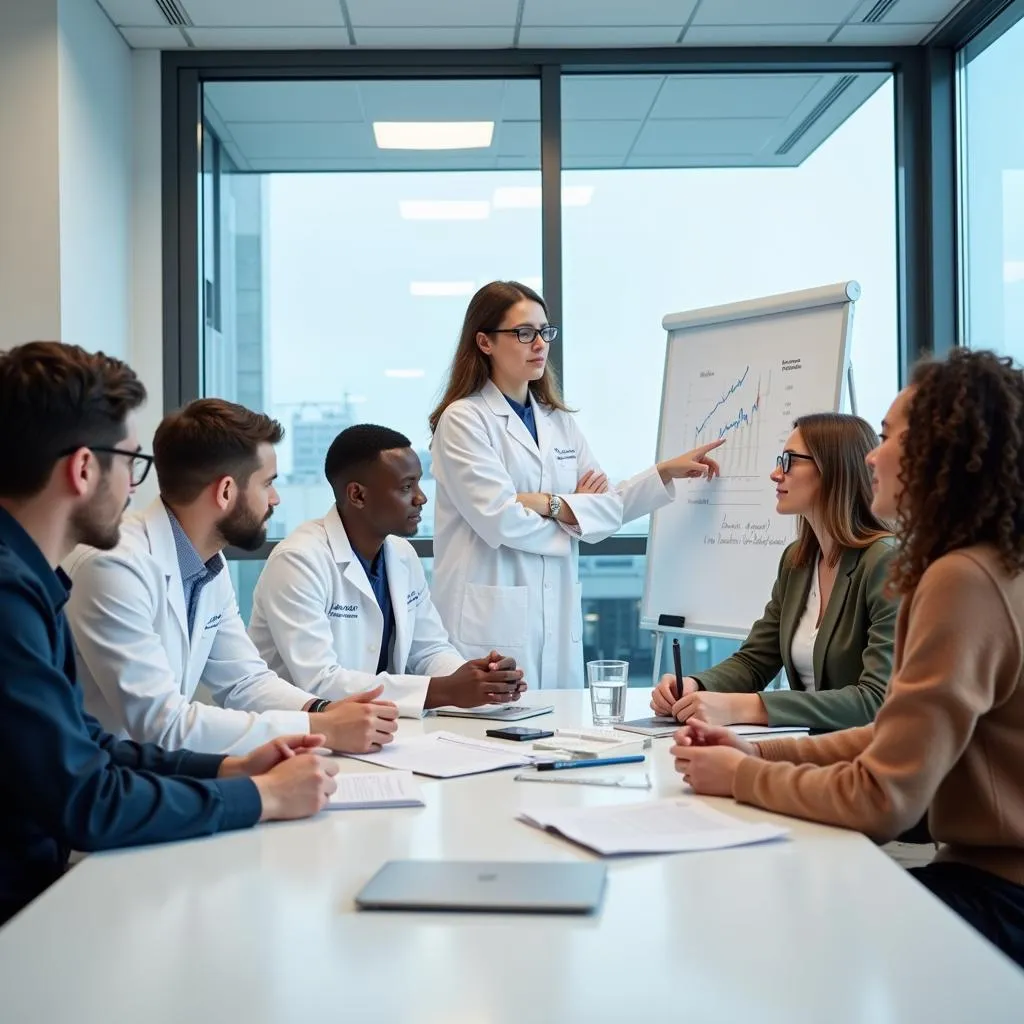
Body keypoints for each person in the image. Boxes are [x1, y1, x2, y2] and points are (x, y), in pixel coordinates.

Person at [672, 349, 1024, 967]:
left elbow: (883, 800)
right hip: (982, 874)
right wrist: (756, 750)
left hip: (998, 892)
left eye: (888, 437)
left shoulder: (960, 579)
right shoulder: (990, 563)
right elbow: (890, 734)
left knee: (774, 928)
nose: (872, 455)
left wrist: (743, 775)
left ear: (940, 448)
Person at [0, 342, 338, 926]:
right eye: (130, 464)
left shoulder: (32, 579)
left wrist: (229, 769)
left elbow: (91, 746)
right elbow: (88, 800)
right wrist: (264, 796)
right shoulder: (17, 592)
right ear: (84, 469)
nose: (135, 487)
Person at [428, 280, 723, 690]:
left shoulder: (558, 421)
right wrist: (574, 513)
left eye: (544, 332)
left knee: (560, 733)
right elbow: (502, 522)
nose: (539, 344)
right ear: (485, 342)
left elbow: (605, 513)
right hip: (490, 627)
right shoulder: (463, 421)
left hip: (556, 624)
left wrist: (661, 474)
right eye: (524, 333)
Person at [64, 399, 399, 756]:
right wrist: (322, 728)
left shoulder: (208, 562)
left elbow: (245, 681)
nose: (275, 499)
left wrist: (324, 710)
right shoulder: (113, 565)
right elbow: (160, 723)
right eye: (267, 483)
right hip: (92, 783)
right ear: (225, 491)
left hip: (146, 773)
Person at [249, 424, 525, 716]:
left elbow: (429, 651)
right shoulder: (298, 560)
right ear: (357, 495)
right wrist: (445, 690)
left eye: (419, 483)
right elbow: (320, 681)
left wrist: (481, 679)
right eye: (407, 487)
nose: (421, 497)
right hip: (296, 734)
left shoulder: (402, 555)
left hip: (375, 727)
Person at [651, 413, 897, 731]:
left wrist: (745, 706)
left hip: (864, 759)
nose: (775, 473)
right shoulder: (797, 561)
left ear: (833, 469)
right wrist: (696, 686)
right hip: (808, 749)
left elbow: (876, 700)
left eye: (789, 461)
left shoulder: (885, 562)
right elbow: (756, 661)